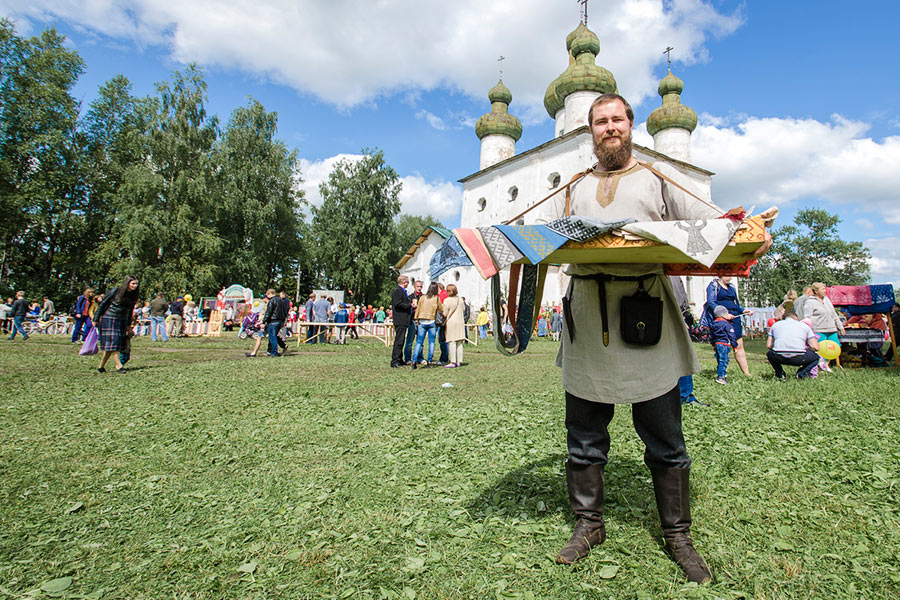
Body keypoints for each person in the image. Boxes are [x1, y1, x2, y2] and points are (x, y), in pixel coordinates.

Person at [551, 93, 770, 583]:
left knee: (665, 438)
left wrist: (742, 227)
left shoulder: (658, 178)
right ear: (591, 130)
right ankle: (588, 525)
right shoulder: (573, 187)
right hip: (587, 313)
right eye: (601, 121)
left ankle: (677, 535)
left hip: (646, 311)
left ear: (632, 126)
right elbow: (550, 239)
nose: (610, 128)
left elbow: (710, 225)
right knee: (584, 435)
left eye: (618, 120)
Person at [702, 276, 752, 376]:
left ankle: (747, 373)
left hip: (734, 318)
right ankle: (722, 373)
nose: (730, 277)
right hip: (721, 320)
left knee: (739, 345)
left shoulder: (732, 287)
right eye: (727, 274)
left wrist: (743, 310)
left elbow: (736, 304)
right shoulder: (714, 286)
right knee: (722, 345)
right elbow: (711, 302)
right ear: (721, 274)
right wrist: (724, 314)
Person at [95, 276, 141, 372]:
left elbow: (130, 311)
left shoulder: (133, 295)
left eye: (136, 284)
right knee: (114, 342)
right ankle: (119, 365)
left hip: (122, 320)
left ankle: (101, 366)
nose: (135, 286)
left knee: (113, 344)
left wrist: (129, 325)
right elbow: (103, 303)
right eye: (133, 283)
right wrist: (96, 318)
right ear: (127, 283)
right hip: (109, 318)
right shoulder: (116, 291)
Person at [766, 311, 820, 380]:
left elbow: (769, 345)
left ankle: (780, 374)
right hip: (799, 357)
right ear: (796, 318)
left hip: (779, 356)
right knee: (816, 358)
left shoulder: (775, 325)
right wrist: (807, 348)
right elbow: (816, 347)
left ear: (783, 318)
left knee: (769, 354)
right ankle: (801, 374)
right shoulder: (804, 326)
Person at [805, 282, 844, 373]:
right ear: (816, 291)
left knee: (835, 347)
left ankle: (826, 365)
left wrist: (840, 326)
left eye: (825, 289)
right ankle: (819, 366)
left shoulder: (827, 300)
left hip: (831, 328)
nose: (824, 291)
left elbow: (834, 314)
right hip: (818, 329)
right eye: (822, 289)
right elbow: (807, 317)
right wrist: (808, 330)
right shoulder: (810, 302)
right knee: (821, 349)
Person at [411, 282, 443, 369]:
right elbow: (441, 309)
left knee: (419, 342)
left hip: (422, 321)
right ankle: (429, 361)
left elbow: (418, 309)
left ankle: (414, 360)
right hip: (431, 321)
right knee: (431, 342)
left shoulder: (422, 297)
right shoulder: (436, 298)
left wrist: (416, 319)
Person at [710, 305, 738, 384]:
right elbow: (732, 335)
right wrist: (735, 346)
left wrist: (713, 344)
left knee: (719, 360)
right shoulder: (726, 324)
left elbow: (711, 335)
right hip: (724, 344)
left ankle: (722, 374)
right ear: (723, 315)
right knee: (724, 360)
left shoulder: (714, 324)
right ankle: (721, 377)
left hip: (717, 344)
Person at [390, 275, 412, 367]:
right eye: (407, 282)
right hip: (400, 319)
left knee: (401, 340)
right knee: (399, 340)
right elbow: (398, 304)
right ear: (404, 282)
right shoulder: (398, 291)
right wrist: (409, 305)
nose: (408, 284)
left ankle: (399, 358)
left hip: (404, 319)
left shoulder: (402, 291)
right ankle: (395, 361)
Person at [442, 284, 465, 367]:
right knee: (459, 342)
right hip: (460, 321)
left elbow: (445, 313)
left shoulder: (447, 300)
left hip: (451, 322)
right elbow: (464, 309)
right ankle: (459, 361)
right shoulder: (460, 299)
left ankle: (453, 361)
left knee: (452, 341)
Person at [261, 289, 288, 357]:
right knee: (274, 336)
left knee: (272, 337)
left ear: (270, 294)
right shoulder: (282, 301)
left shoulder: (272, 301)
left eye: (267, 295)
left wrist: (264, 321)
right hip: (280, 321)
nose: (267, 297)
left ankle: (274, 352)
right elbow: (285, 312)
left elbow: (268, 312)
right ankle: (276, 348)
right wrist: (283, 321)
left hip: (273, 321)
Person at [404, 280, 424, 363]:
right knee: (409, 341)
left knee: (420, 341)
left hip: (421, 321)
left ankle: (420, 357)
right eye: (417, 286)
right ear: (414, 287)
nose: (419, 288)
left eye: (420, 286)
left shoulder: (424, 297)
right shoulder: (410, 297)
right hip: (412, 320)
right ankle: (408, 358)